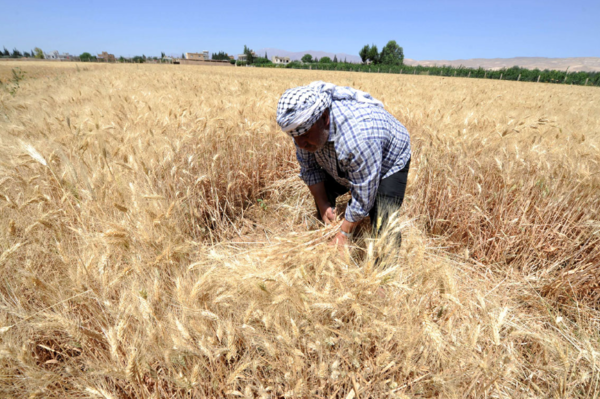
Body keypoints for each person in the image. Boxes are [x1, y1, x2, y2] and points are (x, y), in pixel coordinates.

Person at [276, 81, 411, 247]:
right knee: (323, 199)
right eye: (294, 137)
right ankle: (326, 235)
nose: (300, 143)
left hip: (389, 160)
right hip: (350, 156)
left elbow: (364, 192)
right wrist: (324, 205)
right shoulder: (305, 130)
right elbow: (310, 169)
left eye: (304, 135)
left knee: (384, 220)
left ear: (325, 118)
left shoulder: (359, 137)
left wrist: (344, 233)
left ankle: (385, 268)